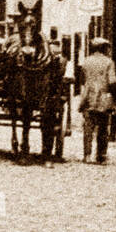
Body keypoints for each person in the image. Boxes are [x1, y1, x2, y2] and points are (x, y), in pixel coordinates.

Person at [80, 38, 116, 164]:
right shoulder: (108, 62)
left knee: (88, 128)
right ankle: (101, 155)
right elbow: (112, 81)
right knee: (103, 128)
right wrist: (114, 97)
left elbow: (83, 79)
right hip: (103, 98)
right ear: (103, 48)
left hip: (88, 97)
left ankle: (87, 155)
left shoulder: (86, 61)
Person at [41, 32, 69, 163]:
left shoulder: (61, 61)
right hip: (46, 96)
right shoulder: (43, 61)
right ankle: (46, 152)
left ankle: (48, 153)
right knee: (48, 125)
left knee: (50, 125)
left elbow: (65, 79)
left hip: (53, 97)